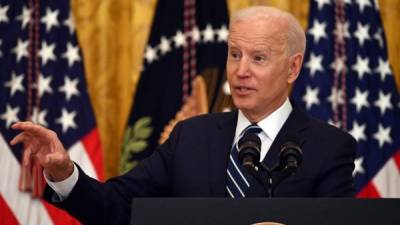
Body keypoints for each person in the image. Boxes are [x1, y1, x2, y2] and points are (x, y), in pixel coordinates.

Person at [10, 6, 356, 225]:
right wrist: (64, 173)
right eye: (234, 55)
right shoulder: (190, 136)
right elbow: (116, 207)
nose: (240, 71)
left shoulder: (329, 148)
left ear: (293, 67)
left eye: (258, 58)